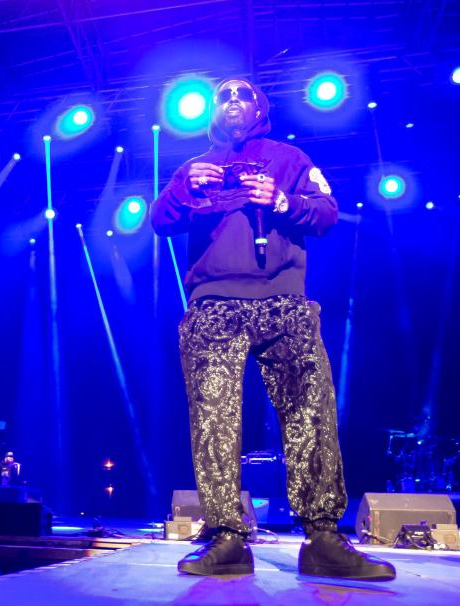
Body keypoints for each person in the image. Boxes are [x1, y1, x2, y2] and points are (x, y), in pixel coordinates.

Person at [151, 77, 395, 580]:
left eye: (243, 95)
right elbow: (159, 221)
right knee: (214, 420)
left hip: (284, 300)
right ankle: (226, 536)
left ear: (261, 107)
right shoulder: (195, 169)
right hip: (213, 304)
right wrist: (181, 188)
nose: (233, 102)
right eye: (224, 97)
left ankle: (324, 536)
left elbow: (328, 213)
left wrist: (283, 201)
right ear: (213, 114)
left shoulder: (289, 158)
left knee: (311, 412)